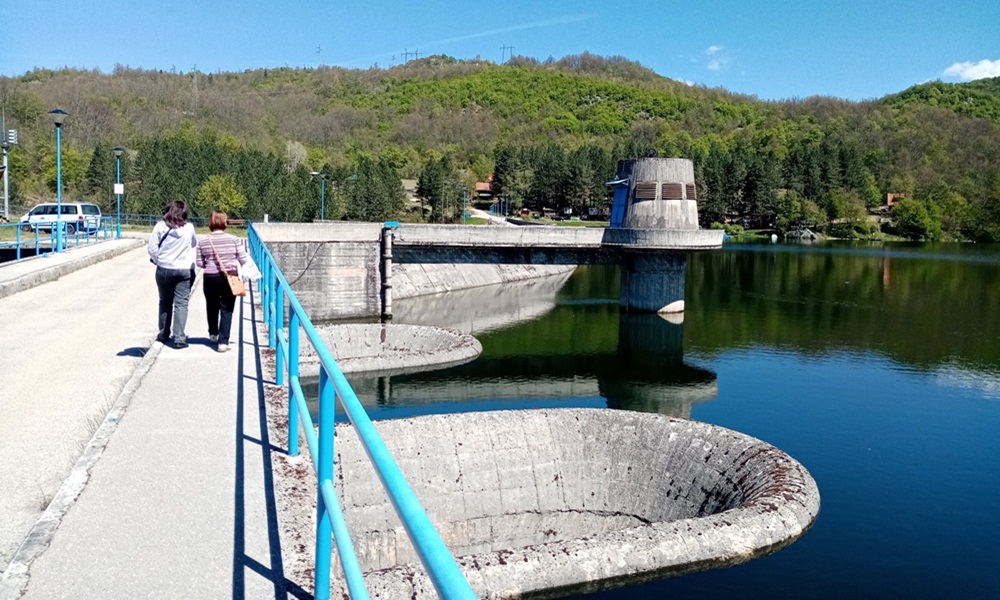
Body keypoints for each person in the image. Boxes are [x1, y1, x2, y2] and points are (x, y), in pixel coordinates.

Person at [196, 210, 248, 353]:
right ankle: (223, 342)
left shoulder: (203, 240)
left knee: (211, 306)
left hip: (210, 278)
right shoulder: (234, 239)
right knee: (227, 308)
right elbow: (243, 259)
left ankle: (213, 334)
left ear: (210, 222)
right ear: (225, 222)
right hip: (229, 277)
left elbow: (199, 263)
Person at [148, 200, 197, 348]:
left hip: (163, 269)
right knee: (181, 303)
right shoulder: (189, 228)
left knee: (164, 302)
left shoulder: (160, 226)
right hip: (184, 269)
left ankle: (163, 334)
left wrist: (160, 260)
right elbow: (194, 244)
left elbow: (152, 249)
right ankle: (179, 338)